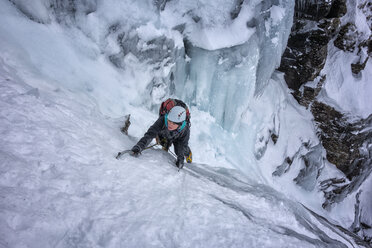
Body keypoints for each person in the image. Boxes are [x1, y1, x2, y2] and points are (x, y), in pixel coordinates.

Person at [131, 102, 192, 168]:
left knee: (179, 149)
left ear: (180, 124)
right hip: (165, 132)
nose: (170, 124)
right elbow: (150, 134)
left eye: (174, 124)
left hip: (178, 137)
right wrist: (139, 146)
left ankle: (188, 154)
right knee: (162, 141)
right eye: (169, 121)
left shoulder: (185, 130)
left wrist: (180, 158)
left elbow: (182, 145)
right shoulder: (162, 120)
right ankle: (166, 145)